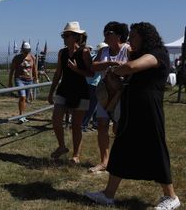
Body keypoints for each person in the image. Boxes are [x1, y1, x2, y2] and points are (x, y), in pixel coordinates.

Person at [85, 22, 181, 210]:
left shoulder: (157, 54)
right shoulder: (139, 53)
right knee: (121, 150)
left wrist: (114, 71)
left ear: (145, 37)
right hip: (132, 111)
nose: (129, 40)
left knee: (156, 150)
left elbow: (130, 67)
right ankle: (108, 194)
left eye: (133, 36)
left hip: (148, 111)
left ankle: (171, 197)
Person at [88, 22, 131, 173]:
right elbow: (93, 67)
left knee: (119, 128)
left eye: (109, 32)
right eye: (105, 32)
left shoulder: (127, 49)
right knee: (101, 125)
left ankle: (122, 160)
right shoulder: (104, 50)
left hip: (121, 94)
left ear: (119, 35)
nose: (105, 35)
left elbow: (133, 68)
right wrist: (110, 63)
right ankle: (104, 161)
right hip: (105, 93)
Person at [47, 22, 92, 164]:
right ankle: (61, 146)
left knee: (76, 125)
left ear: (75, 37)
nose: (64, 38)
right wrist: (51, 91)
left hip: (80, 91)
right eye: (63, 35)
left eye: (66, 35)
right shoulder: (62, 53)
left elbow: (91, 73)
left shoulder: (84, 52)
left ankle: (76, 155)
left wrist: (76, 69)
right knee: (56, 120)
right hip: (64, 89)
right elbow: (58, 73)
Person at [8, 42, 38, 123]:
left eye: (28, 50)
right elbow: (12, 70)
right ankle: (21, 115)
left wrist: (36, 78)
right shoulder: (17, 58)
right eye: (25, 50)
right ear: (22, 50)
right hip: (19, 79)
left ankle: (23, 115)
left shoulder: (32, 57)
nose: (26, 52)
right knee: (22, 97)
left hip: (29, 80)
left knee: (26, 99)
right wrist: (10, 81)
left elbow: (34, 69)